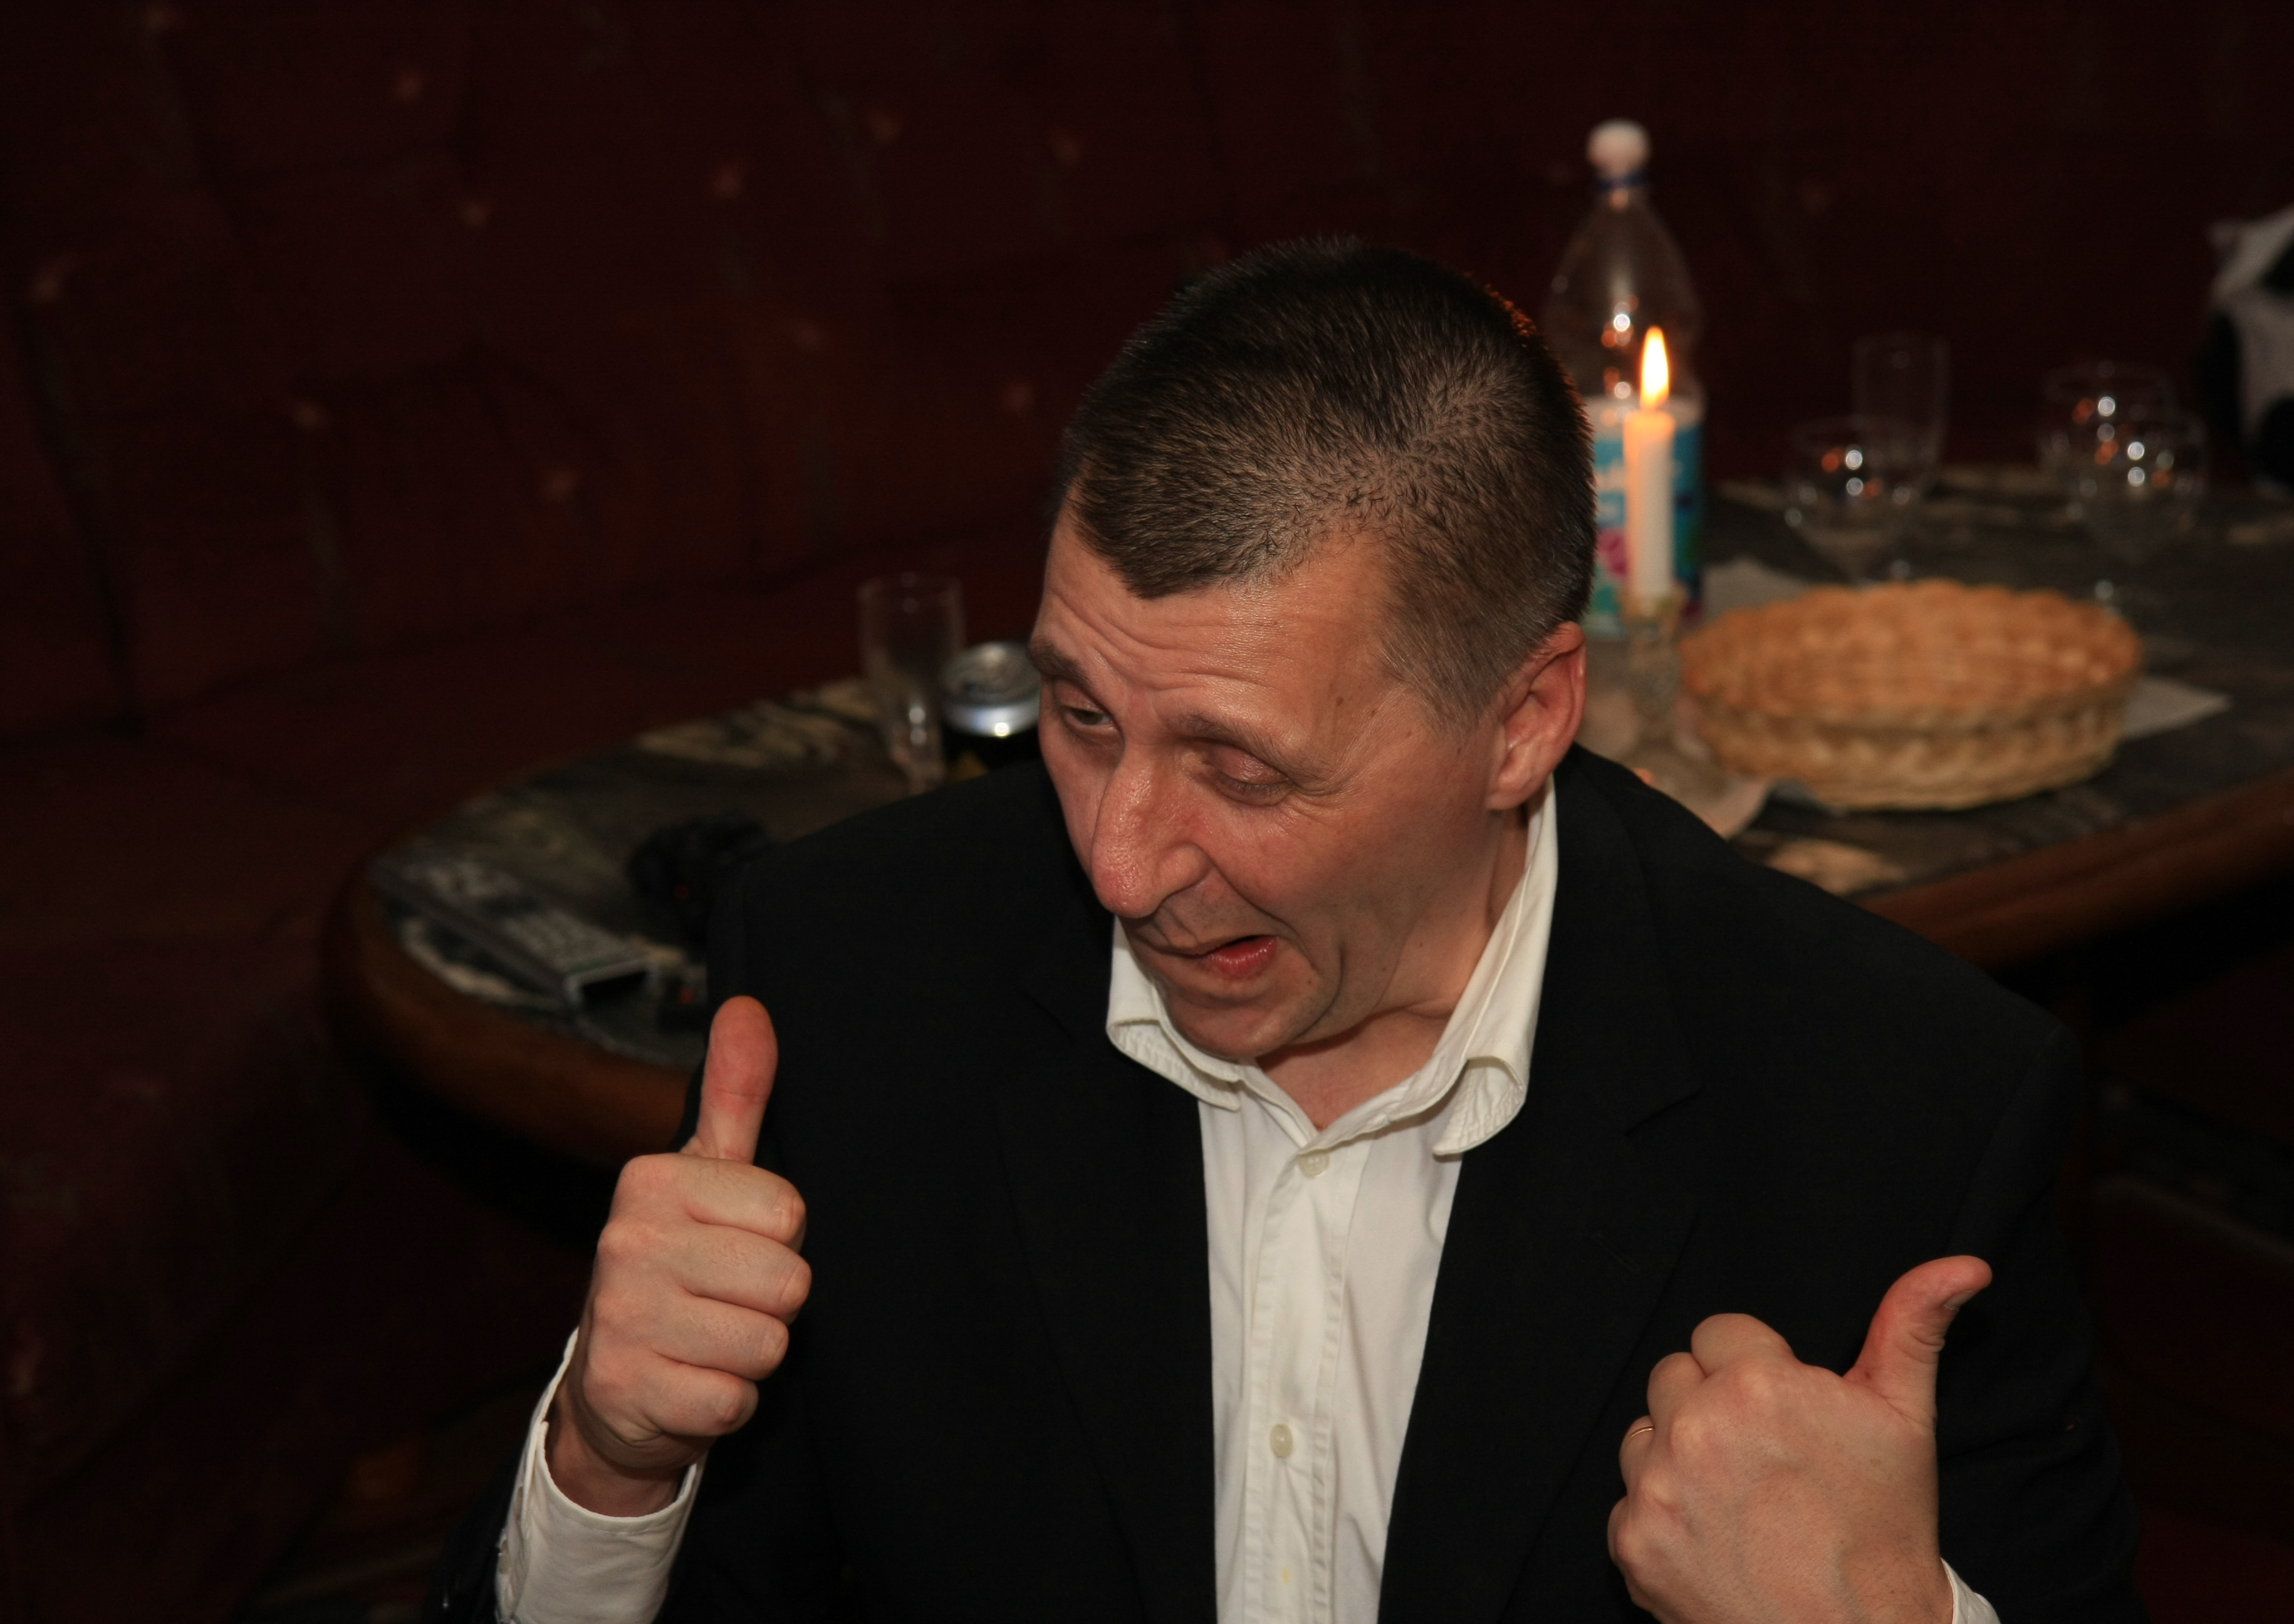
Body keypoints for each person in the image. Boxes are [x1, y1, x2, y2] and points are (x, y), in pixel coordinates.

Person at [427, 239, 2142, 1623]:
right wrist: (610, 1465)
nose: (1118, 865)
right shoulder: (847, 975)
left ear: (1524, 720)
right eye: (1082, 716)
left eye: (1239, 767)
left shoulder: (1900, 1113)